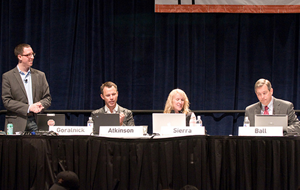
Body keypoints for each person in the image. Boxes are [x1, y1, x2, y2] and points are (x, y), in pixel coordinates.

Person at [2, 43, 51, 133]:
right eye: (28, 55)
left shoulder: (40, 75)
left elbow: (47, 98)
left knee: (39, 147)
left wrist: (40, 104)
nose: (32, 57)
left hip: (36, 121)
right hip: (17, 121)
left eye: (32, 54)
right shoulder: (8, 76)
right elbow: (7, 101)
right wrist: (28, 108)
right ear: (19, 57)